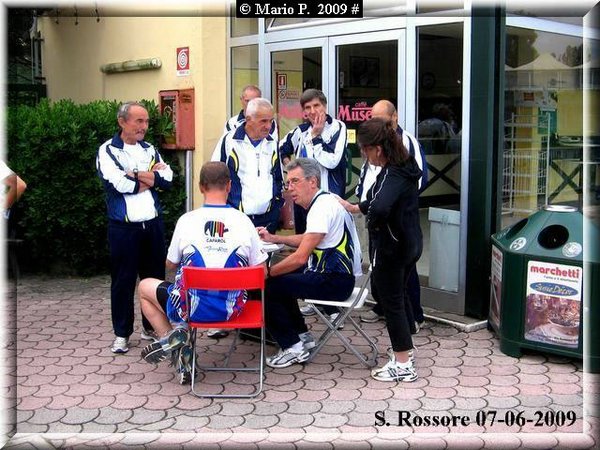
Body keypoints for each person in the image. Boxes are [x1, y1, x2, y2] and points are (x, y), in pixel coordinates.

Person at [137, 161, 268, 384]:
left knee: (144, 287)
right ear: (229, 186)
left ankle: (176, 343)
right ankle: (179, 342)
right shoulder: (244, 222)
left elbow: (170, 264)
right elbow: (261, 272)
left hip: (190, 310)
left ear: (200, 187)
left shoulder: (186, 221)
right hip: (232, 311)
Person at [257, 158, 362, 369]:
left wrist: (266, 272)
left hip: (335, 281)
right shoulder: (325, 200)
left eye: (295, 181)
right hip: (337, 277)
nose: (290, 188)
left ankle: (292, 347)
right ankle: (302, 336)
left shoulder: (321, 208)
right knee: (283, 280)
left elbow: (300, 257)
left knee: (268, 286)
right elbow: (310, 238)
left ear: (312, 181)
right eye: (288, 183)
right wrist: (275, 238)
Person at [347, 118, 423, 382]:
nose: (364, 156)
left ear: (377, 149)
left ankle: (402, 363)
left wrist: (373, 223)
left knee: (391, 302)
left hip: (392, 247)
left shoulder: (393, 173)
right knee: (398, 297)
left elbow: (380, 207)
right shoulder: (404, 166)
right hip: (410, 242)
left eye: (364, 150)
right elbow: (377, 197)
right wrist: (356, 207)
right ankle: (405, 350)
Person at [96, 101, 173, 354]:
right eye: (139, 121)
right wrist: (151, 177)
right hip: (123, 228)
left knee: (155, 279)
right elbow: (120, 184)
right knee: (123, 281)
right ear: (122, 122)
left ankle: (151, 328)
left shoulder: (150, 149)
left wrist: (136, 174)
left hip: (153, 225)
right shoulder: (108, 150)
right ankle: (122, 334)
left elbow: (168, 179)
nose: (144, 126)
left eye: (147, 121)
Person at [353, 100, 428, 330]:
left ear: (394, 118)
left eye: (380, 119)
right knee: (392, 288)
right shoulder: (383, 160)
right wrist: (362, 204)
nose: (376, 124)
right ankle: (396, 318)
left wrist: (378, 215)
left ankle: (412, 319)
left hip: (396, 232)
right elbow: (371, 181)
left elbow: (414, 181)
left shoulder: (402, 152)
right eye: (372, 119)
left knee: (398, 289)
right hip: (393, 230)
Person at [279, 88, 348, 234]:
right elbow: (281, 149)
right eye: (307, 107)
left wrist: (316, 137)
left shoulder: (337, 127)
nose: (312, 111)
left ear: (324, 106)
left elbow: (332, 162)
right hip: (302, 199)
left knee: (328, 242)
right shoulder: (301, 131)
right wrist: (290, 167)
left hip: (329, 199)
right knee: (304, 241)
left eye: (316, 106)